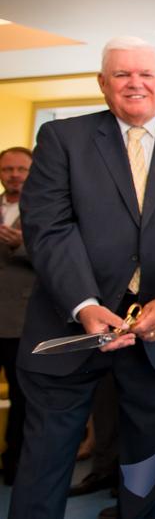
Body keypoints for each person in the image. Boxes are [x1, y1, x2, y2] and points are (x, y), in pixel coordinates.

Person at [10, 36, 155, 518]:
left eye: (146, 74)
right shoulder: (62, 138)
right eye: (123, 74)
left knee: (147, 474)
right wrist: (84, 304)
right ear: (103, 84)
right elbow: (49, 227)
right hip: (68, 329)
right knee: (42, 469)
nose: (136, 84)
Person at [0, 146, 34, 486]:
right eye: (8, 169)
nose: (14, 175)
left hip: (20, 321)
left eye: (21, 169)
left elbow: (59, 261)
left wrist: (20, 245)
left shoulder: (43, 208)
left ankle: (14, 467)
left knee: (22, 401)